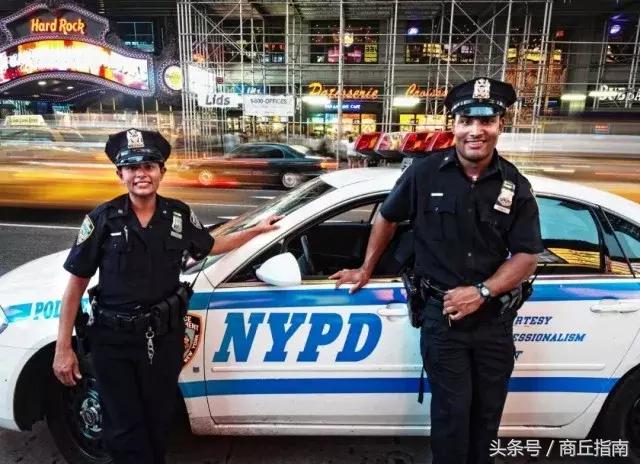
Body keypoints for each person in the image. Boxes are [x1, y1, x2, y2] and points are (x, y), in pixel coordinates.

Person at [330, 78, 543, 464]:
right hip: (442, 317)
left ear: (500, 124)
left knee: (487, 415)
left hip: (494, 320)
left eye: (487, 121)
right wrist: (365, 269)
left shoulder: (516, 185)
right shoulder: (425, 174)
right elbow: (387, 218)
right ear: (454, 125)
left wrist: (482, 292)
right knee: (451, 414)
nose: (475, 131)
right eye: (465, 121)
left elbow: (527, 255)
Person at [52, 128, 281, 464]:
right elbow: (75, 286)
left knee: (158, 421)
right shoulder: (102, 219)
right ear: (120, 175)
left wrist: (258, 230)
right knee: (122, 427)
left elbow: (211, 245)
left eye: (149, 166)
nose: (141, 174)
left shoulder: (177, 215)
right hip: (112, 342)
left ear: (161, 172)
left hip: (162, 339)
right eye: (132, 168)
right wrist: (63, 347)